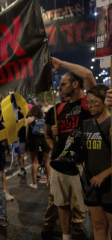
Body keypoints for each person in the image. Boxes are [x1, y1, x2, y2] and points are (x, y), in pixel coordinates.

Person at [49, 57, 96, 240]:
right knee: (62, 203)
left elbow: (88, 74)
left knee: (89, 205)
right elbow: (59, 133)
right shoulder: (61, 108)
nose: (59, 88)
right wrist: (55, 132)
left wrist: (61, 64)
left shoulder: (87, 102)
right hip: (59, 162)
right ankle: (66, 237)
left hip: (80, 162)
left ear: (75, 84)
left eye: (63, 84)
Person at [42, 91, 85, 239]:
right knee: (56, 198)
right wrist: (57, 149)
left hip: (78, 161)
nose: (61, 93)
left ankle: (78, 225)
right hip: (58, 162)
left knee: (78, 199)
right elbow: (47, 136)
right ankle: (50, 223)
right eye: (59, 91)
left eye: (64, 89)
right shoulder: (54, 110)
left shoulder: (82, 107)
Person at [82, 85, 112, 240]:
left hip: (110, 185)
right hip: (91, 183)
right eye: (88, 102)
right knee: (98, 225)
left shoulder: (111, 123)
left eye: (94, 102)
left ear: (104, 101)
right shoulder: (86, 124)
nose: (90, 106)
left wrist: (104, 174)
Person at [26, 105, 50, 189]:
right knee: (46, 161)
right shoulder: (44, 117)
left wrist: (27, 144)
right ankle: (48, 181)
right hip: (44, 140)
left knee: (34, 162)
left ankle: (34, 183)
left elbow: (27, 133)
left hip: (34, 140)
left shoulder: (29, 119)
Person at [17, 108, 27, 177]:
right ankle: (22, 169)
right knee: (21, 154)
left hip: (29, 138)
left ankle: (40, 169)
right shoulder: (17, 115)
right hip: (20, 138)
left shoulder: (29, 115)